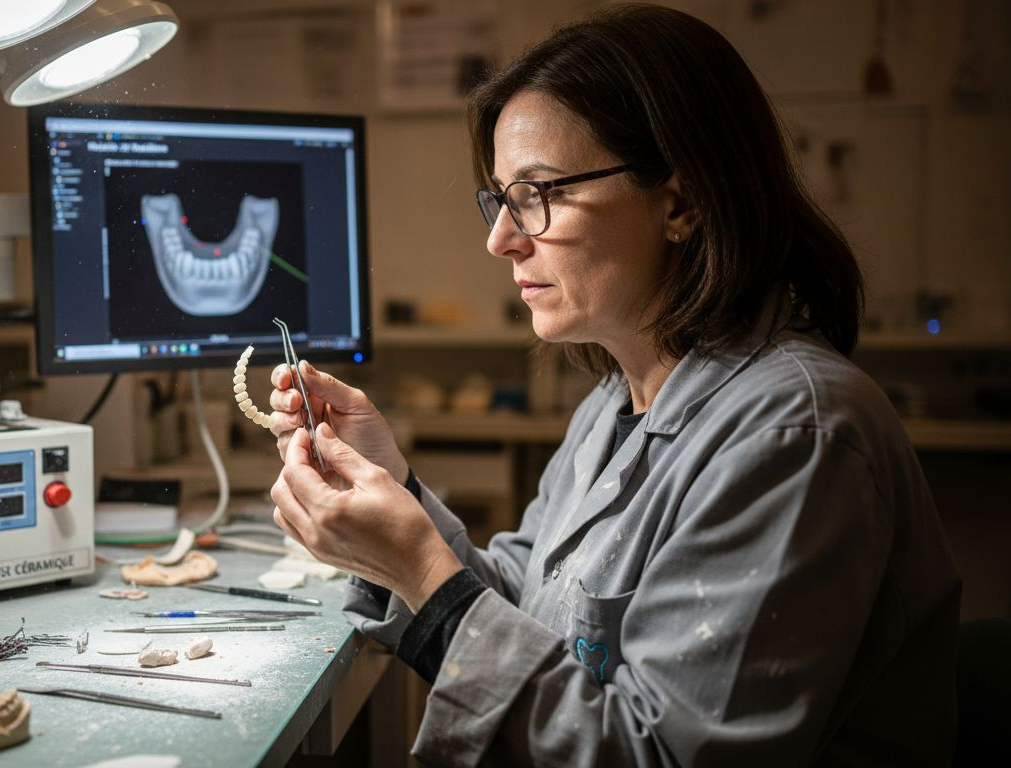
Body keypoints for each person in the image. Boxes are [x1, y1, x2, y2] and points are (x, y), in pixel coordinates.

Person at [267, 4, 961, 766]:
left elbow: (658, 754)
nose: (500, 237)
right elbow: (529, 611)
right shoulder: (616, 404)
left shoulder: (795, 433)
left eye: (538, 193)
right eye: (500, 197)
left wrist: (417, 568)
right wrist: (391, 490)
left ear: (682, 201)